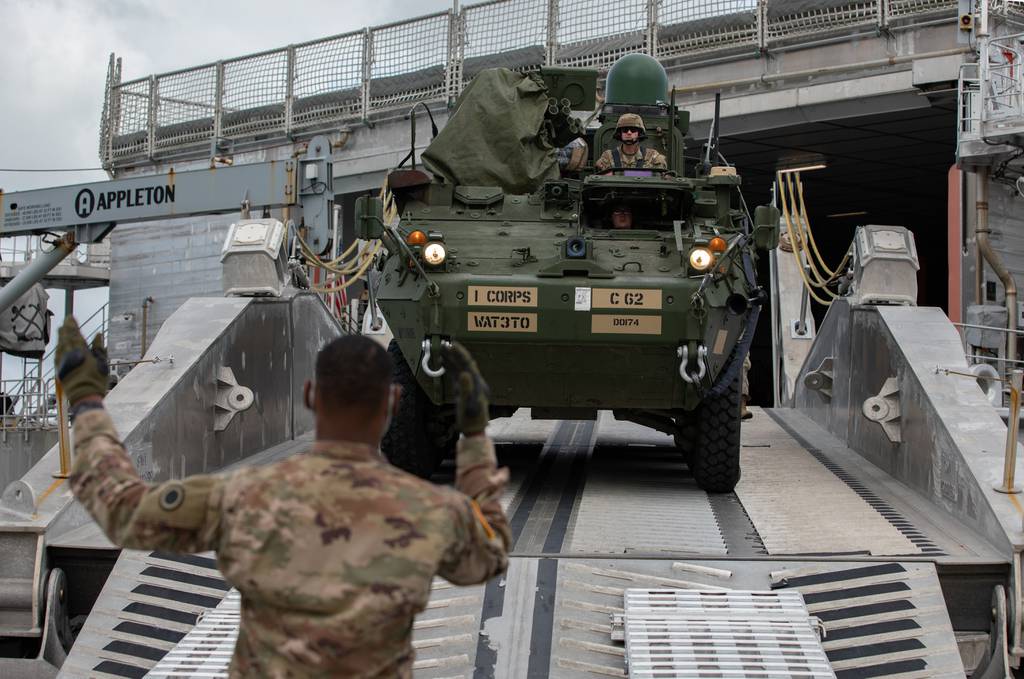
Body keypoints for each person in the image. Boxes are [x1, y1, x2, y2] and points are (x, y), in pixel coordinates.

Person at [57, 318, 510, 678]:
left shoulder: (243, 495)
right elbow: (488, 554)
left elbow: (120, 508)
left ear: (311, 395)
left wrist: (87, 402)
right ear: (393, 403)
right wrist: (472, 436)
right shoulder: (431, 511)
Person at [595, 113, 667, 172]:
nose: (629, 133)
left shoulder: (652, 156)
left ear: (639, 133)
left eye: (633, 130)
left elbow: (659, 177)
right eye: (625, 130)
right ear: (620, 133)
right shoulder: (608, 156)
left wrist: (616, 175)